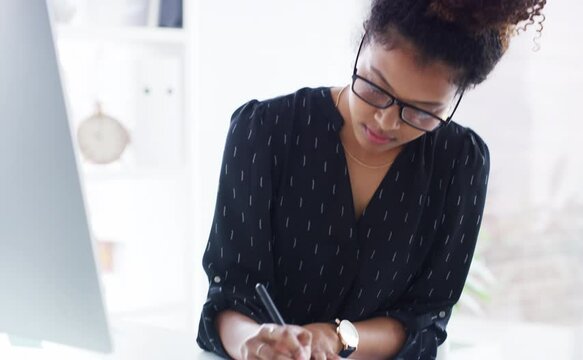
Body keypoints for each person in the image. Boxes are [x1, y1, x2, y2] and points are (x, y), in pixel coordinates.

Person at [196, 0, 545, 359]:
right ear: (362, 43)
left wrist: (337, 338)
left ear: (456, 100)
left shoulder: (461, 162)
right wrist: (251, 343)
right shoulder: (265, 130)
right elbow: (230, 292)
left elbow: (426, 318)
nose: (386, 122)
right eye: (375, 88)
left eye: (422, 113)